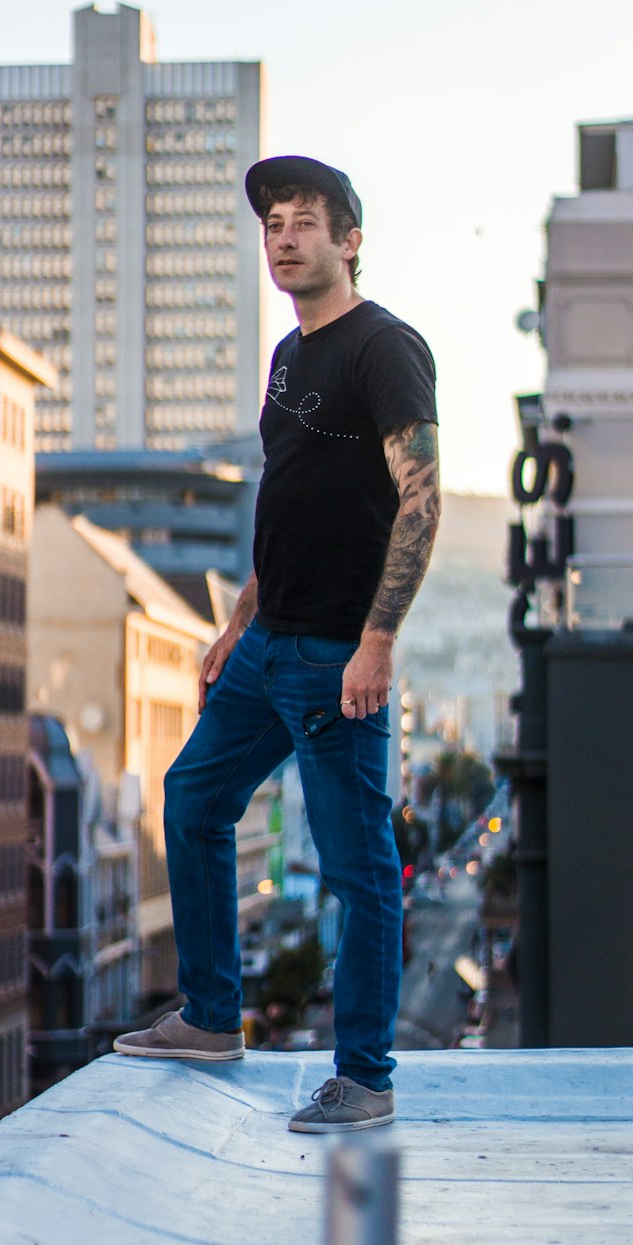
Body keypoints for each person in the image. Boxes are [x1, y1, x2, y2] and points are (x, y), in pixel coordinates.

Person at [114, 155, 440, 1132]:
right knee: (194, 796)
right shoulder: (289, 357)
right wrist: (236, 619)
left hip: (340, 653)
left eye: (304, 221)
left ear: (348, 241)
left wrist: (377, 640)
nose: (284, 237)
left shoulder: (386, 348)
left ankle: (366, 1074)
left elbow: (421, 499)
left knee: (358, 866)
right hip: (268, 646)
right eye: (272, 225)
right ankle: (213, 1013)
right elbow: (287, 496)